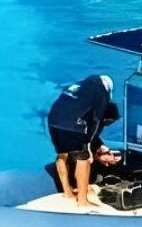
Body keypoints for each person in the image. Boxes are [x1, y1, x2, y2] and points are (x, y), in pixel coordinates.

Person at [47, 75, 120, 209]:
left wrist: (99, 145)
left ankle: (68, 193)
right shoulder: (100, 89)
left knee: (62, 155)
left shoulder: (79, 85)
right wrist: (88, 147)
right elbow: (96, 119)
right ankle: (82, 202)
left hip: (53, 120)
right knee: (83, 159)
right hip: (73, 123)